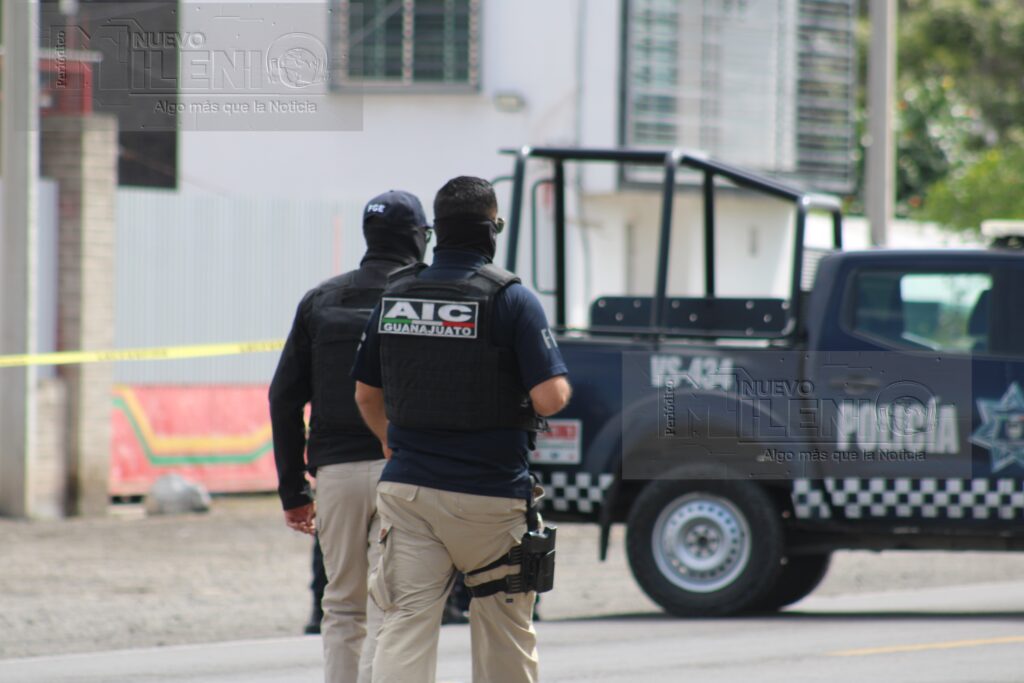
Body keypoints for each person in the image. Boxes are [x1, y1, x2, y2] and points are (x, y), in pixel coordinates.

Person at [352, 176, 572, 683]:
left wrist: (389, 442)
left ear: (438, 231)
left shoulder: (396, 295)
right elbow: (550, 398)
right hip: (489, 498)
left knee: (406, 622)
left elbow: (365, 394)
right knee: (503, 630)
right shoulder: (512, 298)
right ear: (491, 229)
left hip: (409, 492)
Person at [269, 190, 430, 683]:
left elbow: (283, 398)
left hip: (335, 474)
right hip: (403, 470)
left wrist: (294, 491)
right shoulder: (429, 300)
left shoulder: (321, 300)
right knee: (390, 603)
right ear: (418, 238)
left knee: (340, 604)